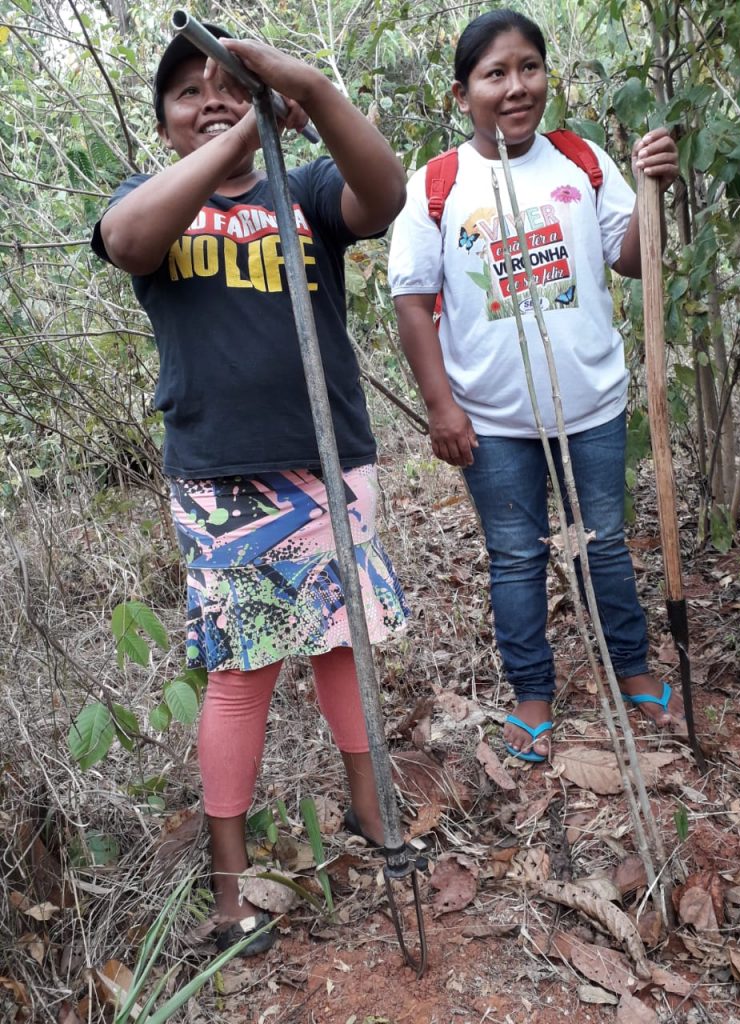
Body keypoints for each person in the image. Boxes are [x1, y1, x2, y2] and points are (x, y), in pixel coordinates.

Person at [91, 24, 409, 954]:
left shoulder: (302, 191)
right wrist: (245, 128)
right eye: (188, 93)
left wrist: (309, 88)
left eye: (230, 85)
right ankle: (229, 895)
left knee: (345, 644)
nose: (212, 100)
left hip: (328, 461)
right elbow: (130, 242)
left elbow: (384, 196)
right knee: (240, 675)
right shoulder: (149, 201)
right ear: (163, 123)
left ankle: (375, 814)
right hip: (224, 483)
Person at [388, 8, 684, 764]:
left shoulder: (580, 161)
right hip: (492, 421)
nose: (516, 87)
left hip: (591, 405)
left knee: (604, 546)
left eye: (529, 68)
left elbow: (630, 259)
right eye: (495, 74)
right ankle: (532, 694)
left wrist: (653, 189)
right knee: (517, 556)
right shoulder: (438, 186)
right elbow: (413, 301)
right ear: (463, 94)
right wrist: (441, 407)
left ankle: (634, 670)